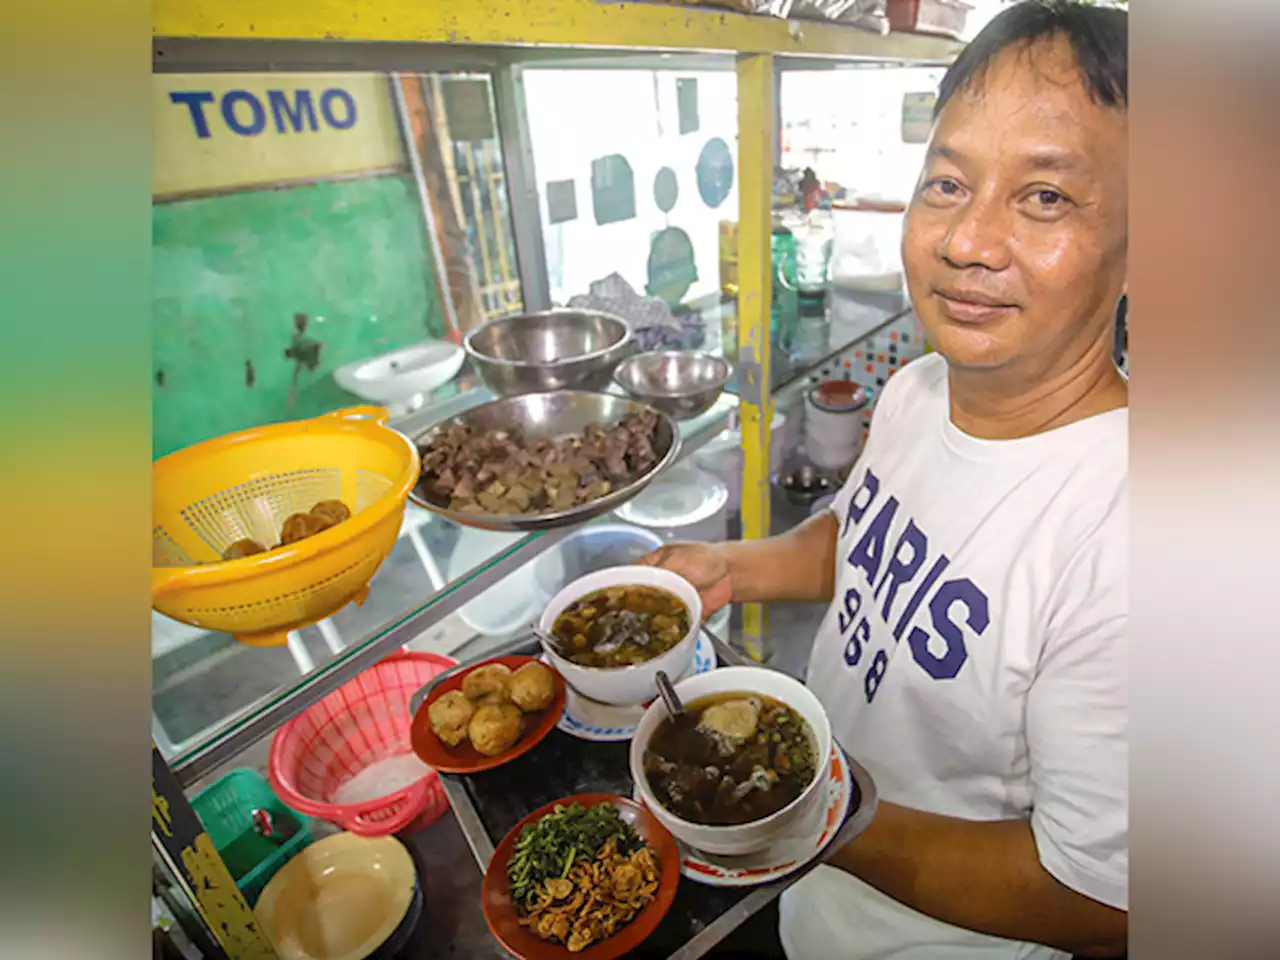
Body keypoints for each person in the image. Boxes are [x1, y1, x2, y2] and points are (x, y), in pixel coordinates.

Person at [641, 3, 1129, 957]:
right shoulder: (917, 388)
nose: (968, 241)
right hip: (818, 905)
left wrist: (810, 816)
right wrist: (728, 567)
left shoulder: (1137, 540)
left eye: (1046, 199)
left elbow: (1106, 904)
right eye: (948, 181)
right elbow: (864, 535)